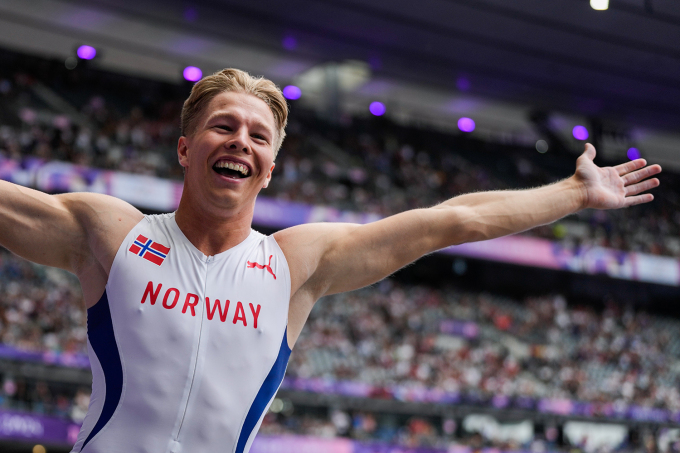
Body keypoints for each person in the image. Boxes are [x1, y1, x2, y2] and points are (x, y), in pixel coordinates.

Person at [0, 69, 661, 453]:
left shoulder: (296, 263)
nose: (240, 141)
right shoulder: (111, 233)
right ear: (185, 147)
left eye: (258, 135)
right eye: (223, 126)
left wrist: (573, 193)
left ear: (272, 166)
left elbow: (450, 221)